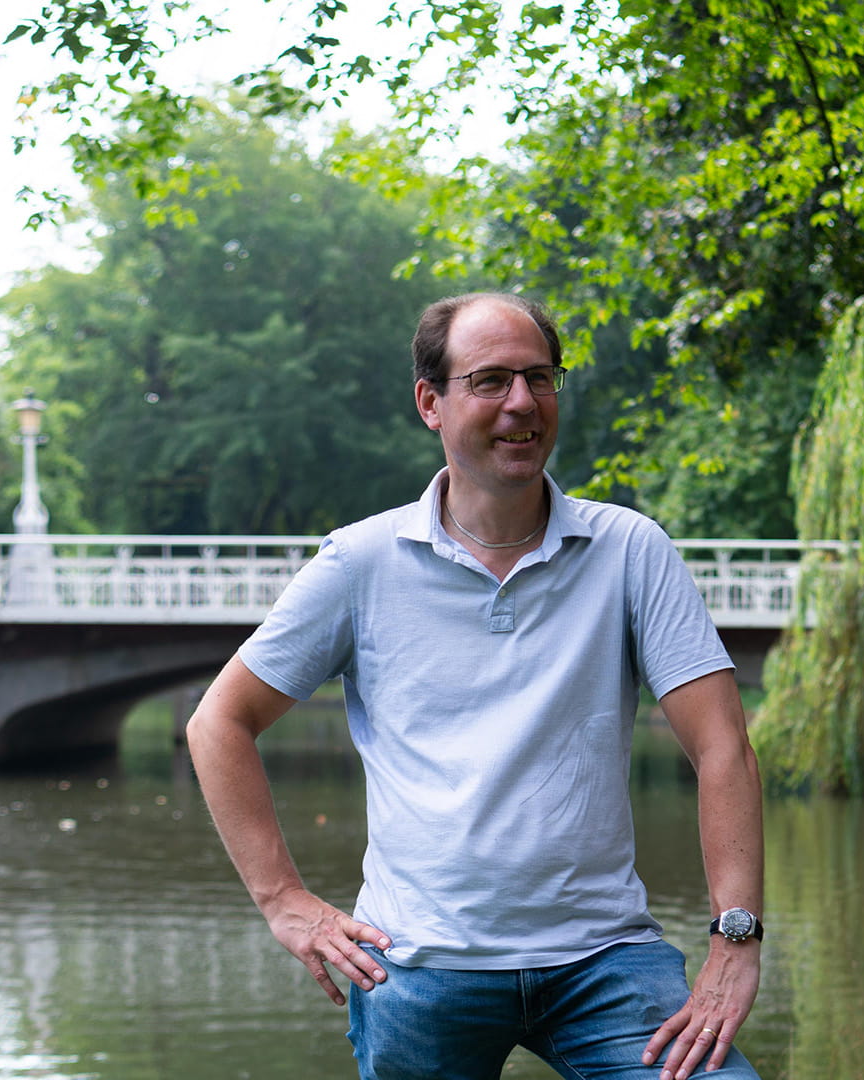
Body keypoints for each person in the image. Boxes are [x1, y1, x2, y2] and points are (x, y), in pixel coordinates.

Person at [185, 292, 764, 1080]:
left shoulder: (631, 551)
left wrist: (736, 938)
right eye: (490, 380)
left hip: (604, 959)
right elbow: (218, 722)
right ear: (432, 402)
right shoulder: (360, 564)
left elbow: (722, 746)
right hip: (417, 966)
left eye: (540, 378)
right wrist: (285, 901)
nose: (522, 403)